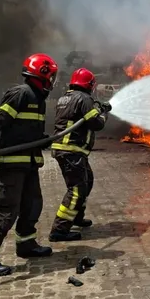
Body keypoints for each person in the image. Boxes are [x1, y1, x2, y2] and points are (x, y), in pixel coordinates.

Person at [0, 53, 59, 276]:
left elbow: (25, 129)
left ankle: (26, 244)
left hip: (28, 164)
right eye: (51, 75)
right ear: (43, 73)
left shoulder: (38, 98)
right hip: (10, 165)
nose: (53, 80)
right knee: (6, 211)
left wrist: (42, 139)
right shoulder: (20, 93)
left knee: (32, 206)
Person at [48, 67, 109, 242]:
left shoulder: (65, 98)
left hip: (67, 150)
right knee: (76, 190)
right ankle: (60, 230)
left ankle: (76, 216)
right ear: (90, 84)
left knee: (87, 181)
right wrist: (104, 114)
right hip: (71, 151)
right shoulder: (84, 99)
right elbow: (96, 124)